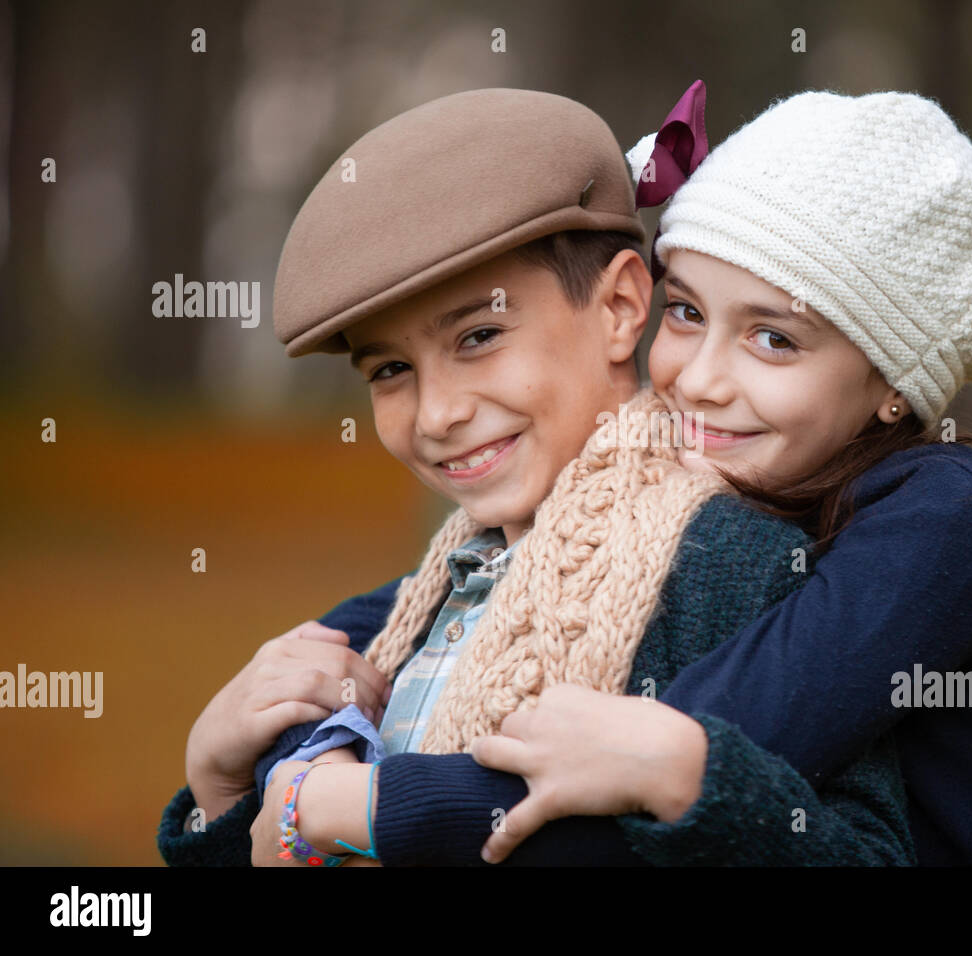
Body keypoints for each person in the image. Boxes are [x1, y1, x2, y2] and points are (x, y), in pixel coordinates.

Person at [157, 87, 914, 867]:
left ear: (621, 306)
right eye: (390, 369)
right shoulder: (419, 607)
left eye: (479, 335)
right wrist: (219, 792)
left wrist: (690, 783)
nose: (437, 413)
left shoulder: (732, 566)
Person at [470, 86, 972, 866]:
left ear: (890, 389)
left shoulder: (952, 519)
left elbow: (665, 748)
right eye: (686, 313)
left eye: (773, 338)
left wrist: (366, 805)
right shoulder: (705, 479)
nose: (700, 379)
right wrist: (331, 672)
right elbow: (478, 588)